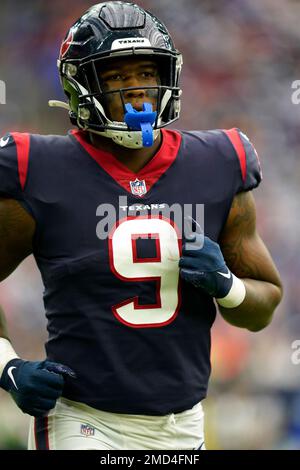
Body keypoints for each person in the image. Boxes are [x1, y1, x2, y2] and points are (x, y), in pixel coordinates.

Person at [0, 1, 282, 450]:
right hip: (84, 421)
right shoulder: (40, 168)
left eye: (145, 74)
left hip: (184, 423)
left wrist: (227, 286)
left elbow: (266, 304)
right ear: (81, 86)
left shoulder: (219, 161)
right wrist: (8, 365)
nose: (136, 91)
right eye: (115, 77)